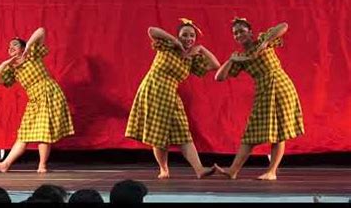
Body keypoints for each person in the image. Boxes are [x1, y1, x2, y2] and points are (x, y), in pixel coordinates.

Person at [125, 18, 220, 179]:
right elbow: (151, 30)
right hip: (153, 90)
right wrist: (175, 41)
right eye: (184, 35)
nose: (188, 38)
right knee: (158, 133)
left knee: (183, 131)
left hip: (170, 93)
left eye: (192, 36)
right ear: (178, 35)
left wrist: (202, 49)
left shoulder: (191, 58)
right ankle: (164, 169)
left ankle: (199, 169)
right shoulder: (168, 46)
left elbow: (216, 65)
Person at [214, 18, 304, 180]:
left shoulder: (263, 39)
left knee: (279, 132)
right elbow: (218, 77)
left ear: (250, 32)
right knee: (251, 132)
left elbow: (284, 25)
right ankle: (232, 170)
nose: (238, 35)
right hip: (263, 90)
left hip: (280, 85)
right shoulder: (241, 57)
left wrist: (266, 42)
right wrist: (231, 60)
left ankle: (272, 172)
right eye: (235, 33)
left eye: (242, 31)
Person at [0, 27, 74, 173]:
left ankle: (42, 165)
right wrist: (4, 64)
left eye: (15, 45)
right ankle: (6, 163)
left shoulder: (32, 55)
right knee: (24, 133)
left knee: (43, 131)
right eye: (9, 46)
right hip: (34, 99)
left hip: (48, 93)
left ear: (22, 48)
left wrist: (28, 47)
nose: (11, 47)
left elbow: (41, 31)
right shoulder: (13, 70)